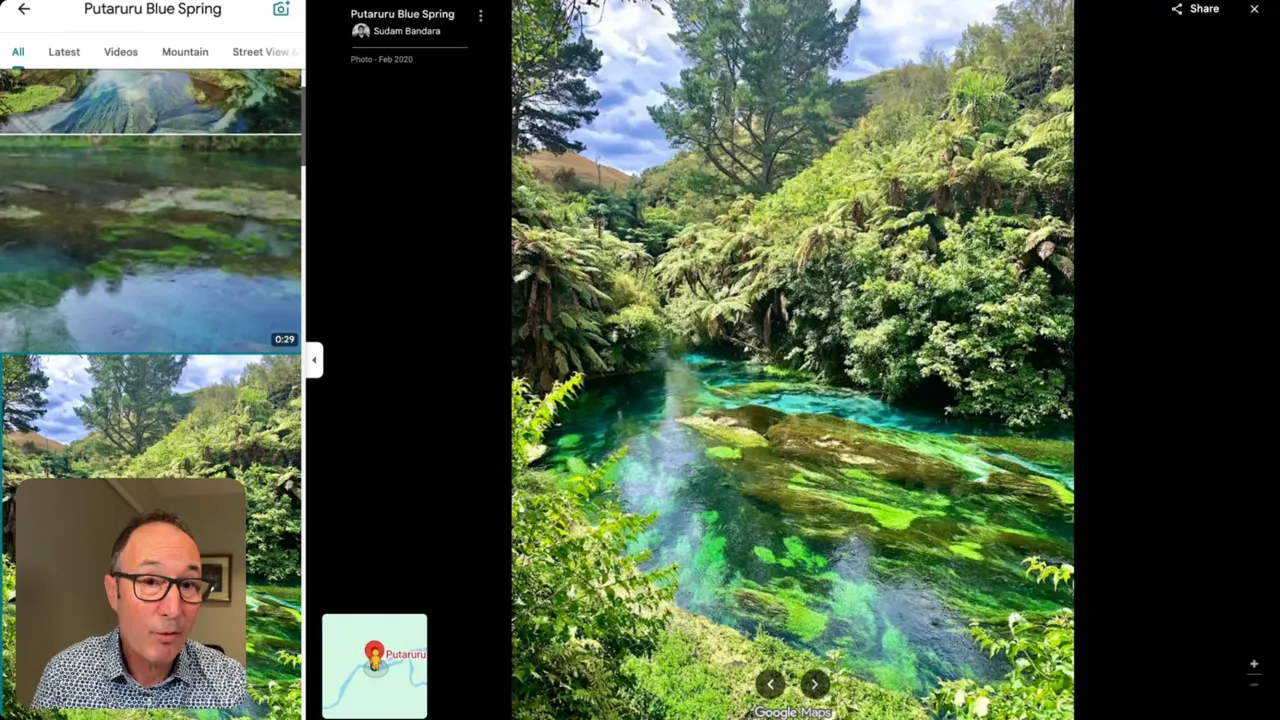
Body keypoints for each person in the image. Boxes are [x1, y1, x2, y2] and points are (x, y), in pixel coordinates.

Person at [30, 510, 247, 709]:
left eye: (188, 584)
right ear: (114, 592)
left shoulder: (231, 682)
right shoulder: (63, 677)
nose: (173, 610)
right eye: (151, 581)